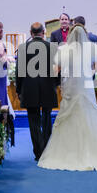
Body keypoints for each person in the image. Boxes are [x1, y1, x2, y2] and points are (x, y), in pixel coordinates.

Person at [38, 24, 97, 171]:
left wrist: (62, 81)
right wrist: (88, 74)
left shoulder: (64, 50)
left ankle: (67, 151)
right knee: (89, 113)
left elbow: (57, 70)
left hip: (71, 87)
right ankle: (96, 150)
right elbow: (96, 67)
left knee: (69, 114)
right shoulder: (91, 50)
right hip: (85, 86)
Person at [16, 22, 59, 161]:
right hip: (47, 87)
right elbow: (57, 68)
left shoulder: (23, 48)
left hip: (29, 88)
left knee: (33, 121)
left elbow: (19, 72)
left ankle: (38, 152)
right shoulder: (52, 47)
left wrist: (18, 89)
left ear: (30, 32)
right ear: (43, 32)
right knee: (47, 118)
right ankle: (47, 149)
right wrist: (56, 84)